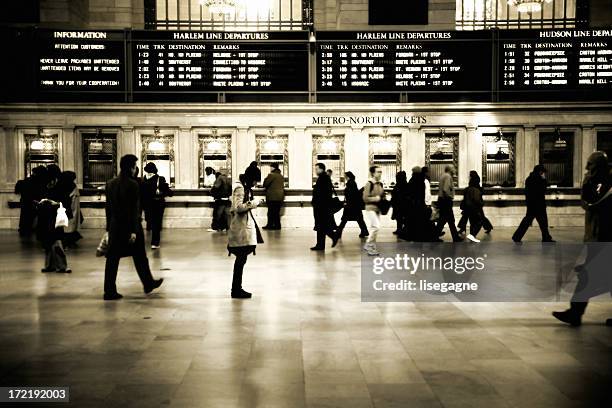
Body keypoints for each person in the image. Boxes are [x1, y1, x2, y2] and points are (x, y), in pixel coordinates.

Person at [553, 151, 612, 327]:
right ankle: (575, 312)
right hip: (598, 238)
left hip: (604, 239)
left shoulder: (605, 184)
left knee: (587, 277)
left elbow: (591, 202)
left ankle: (575, 313)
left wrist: (586, 184)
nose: (587, 168)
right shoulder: (598, 182)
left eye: (590, 165)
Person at [103, 154, 163, 301]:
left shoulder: (110, 183)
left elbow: (108, 208)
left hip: (115, 226)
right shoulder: (133, 184)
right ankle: (148, 283)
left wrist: (108, 228)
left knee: (112, 259)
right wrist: (134, 230)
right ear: (132, 167)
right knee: (140, 256)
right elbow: (133, 209)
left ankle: (109, 290)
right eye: (135, 166)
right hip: (130, 226)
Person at [228, 171, 262, 299]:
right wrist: (254, 203)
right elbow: (238, 207)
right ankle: (236, 289)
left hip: (242, 226)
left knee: (242, 259)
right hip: (240, 227)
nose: (255, 184)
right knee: (241, 259)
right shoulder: (240, 187)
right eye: (255, 181)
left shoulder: (243, 187)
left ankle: (237, 288)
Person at [36, 164, 71, 273]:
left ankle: (55, 265)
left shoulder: (56, 185)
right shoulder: (53, 185)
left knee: (54, 242)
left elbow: (65, 202)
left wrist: (54, 203)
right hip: (49, 216)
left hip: (52, 217)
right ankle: (55, 265)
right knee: (51, 242)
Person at [512, 164, 555, 242]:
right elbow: (542, 190)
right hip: (539, 204)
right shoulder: (539, 179)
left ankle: (517, 236)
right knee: (543, 222)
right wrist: (544, 180)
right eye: (543, 172)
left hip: (531, 204)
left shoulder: (529, 178)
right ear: (540, 172)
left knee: (528, 221)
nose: (544, 174)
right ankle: (546, 237)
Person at [142, 163, 172, 249]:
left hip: (147, 205)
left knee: (151, 221)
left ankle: (150, 232)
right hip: (158, 204)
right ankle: (155, 242)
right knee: (156, 223)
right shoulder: (160, 179)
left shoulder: (143, 180)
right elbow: (169, 192)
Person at [311, 163, 339, 251]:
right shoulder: (324, 178)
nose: (315, 171)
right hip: (321, 206)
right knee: (321, 226)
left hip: (321, 207)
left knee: (321, 226)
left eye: (317, 169)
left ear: (322, 169)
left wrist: (316, 203)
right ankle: (320, 244)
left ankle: (332, 237)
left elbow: (323, 194)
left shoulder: (323, 178)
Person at [458, 171, 493, 235]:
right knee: (476, 216)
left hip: (474, 201)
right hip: (474, 201)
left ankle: (463, 228)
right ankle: (488, 227)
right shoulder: (476, 179)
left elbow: (473, 189)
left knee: (469, 216)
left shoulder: (473, 181)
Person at [435, 165, 463, 242]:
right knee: (446, 219)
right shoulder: (448, 176)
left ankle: (454, 236)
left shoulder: (443, 176)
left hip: (442, 200)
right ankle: (454, 237)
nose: (455, 170)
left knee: (446, 219)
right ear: (450, 170)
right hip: (446, 200)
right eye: (453, 169)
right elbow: (445, 189)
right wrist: (450, 196)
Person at [336, 171, 368, 238]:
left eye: (345, 176)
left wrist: (347, 202)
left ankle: (338, 233)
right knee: (359, 219)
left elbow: (351, 194)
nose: (344, 177)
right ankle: (364, 231)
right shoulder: (352, 182)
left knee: (344, 219)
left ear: (348, 176)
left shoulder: (350, 183)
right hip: (355, 205)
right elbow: (355, 193)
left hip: (351, 205)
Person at [363, 165, 385, 256]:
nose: (380, 173)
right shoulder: (369, 184)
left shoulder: (380, 184)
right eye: (378, 172)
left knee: (373, 228)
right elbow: (365, 198)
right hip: (370, 208)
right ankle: (368, 245)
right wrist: (376, 198)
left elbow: (381, 195)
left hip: (378, 209)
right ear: (373, 173)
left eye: (381, 172)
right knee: (376, 227)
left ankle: (372, 248)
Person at [400, 166, 426, 242]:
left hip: (414, 204)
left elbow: (410, 191)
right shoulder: (421, 180)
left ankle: (411, 235)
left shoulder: (414, 180)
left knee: (412, 220)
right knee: (417, 221)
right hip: (419, 203)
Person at [58, 171, 83, 248]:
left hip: (70, 210)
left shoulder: (63, 186)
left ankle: (68, 241)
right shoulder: (71, 186)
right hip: (71, 210)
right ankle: (69, 241)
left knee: (69, 227)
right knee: (70, 227)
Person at [460, 171, 484, 243]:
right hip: (474, 208)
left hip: (468, 208)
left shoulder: (468, 189)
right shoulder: (476, 190)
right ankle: (472, 235)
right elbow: (477, 200)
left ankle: (472, 236)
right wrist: (482, 203)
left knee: (472, 223)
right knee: (480, 221)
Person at [262, 163, 285, 230]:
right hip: (280, 197)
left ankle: (270, 225)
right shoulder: (281, 176)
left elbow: (265, 184)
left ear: (273, 167)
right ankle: (277, 226)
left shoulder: (271, 175)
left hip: (272, 197)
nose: (270, 168)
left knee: (270, 212)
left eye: (271, 167)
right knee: (276, 212)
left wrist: (266, 178)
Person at [391, 171, 409, 235]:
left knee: (400, 217)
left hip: (399, 204)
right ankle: (400, 229)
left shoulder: (400, 185)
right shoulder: (405, 184)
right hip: (401, 204)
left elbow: (397, 194)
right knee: (400, 217)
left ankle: (400, 229)